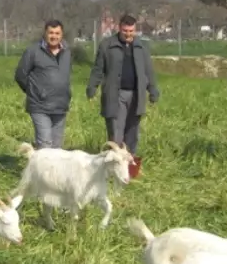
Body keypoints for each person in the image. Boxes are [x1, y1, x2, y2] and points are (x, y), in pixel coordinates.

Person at [86, 14, 158, 176]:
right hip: (115, 95)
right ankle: (112, 171)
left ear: (135, 30)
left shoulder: (141, 48)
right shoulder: (107, 45)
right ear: (119, 28)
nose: (128, 34)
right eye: (125, 30)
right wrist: (92, 87)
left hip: (136, 95)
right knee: (116, 134)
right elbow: (98, 69)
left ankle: (129, 170)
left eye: (131, 31)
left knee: (132, 133)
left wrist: (153, 90)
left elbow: (149, 72)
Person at [14, 19, 73, 149]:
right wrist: (35, 92)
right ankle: (40, 169)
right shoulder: (33, 51)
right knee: (45, 145)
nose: (54, 36)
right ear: (45, 34)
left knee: (57, 148)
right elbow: (20, 75)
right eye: (51, 33)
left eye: (57, 33)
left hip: (60, 105)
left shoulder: (67, 51)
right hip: (40, 106)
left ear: (62, 34)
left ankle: (54, 170)